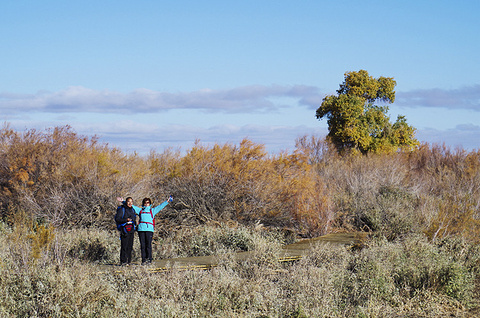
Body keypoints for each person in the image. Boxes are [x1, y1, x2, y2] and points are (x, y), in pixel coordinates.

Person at [133, 196, 173, 265]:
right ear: (143, 204)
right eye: (145, 203)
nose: (146, 204)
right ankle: (143, 260)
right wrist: (123, 201)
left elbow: (160, 206)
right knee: (142, 245)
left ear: (150, 204)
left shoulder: (152, 211)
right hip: (141, 229)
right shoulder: (140, 211)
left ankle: (149, 259)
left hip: (149, 230)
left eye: (148, 203)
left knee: (148, 245)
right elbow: (132, 206)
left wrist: (167, 201)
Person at [114, 197, 137, 266]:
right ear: (126, 202)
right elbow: (117, 219)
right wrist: (126, 220)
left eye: (131, 202)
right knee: (124, 246)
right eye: (128, 202)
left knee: (130, 246)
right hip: (124, 230)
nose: (130, 203)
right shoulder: (122, 209)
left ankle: (128, 262)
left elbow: (134, 219)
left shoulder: (132, 210)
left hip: (131, 230)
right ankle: (123, 262)